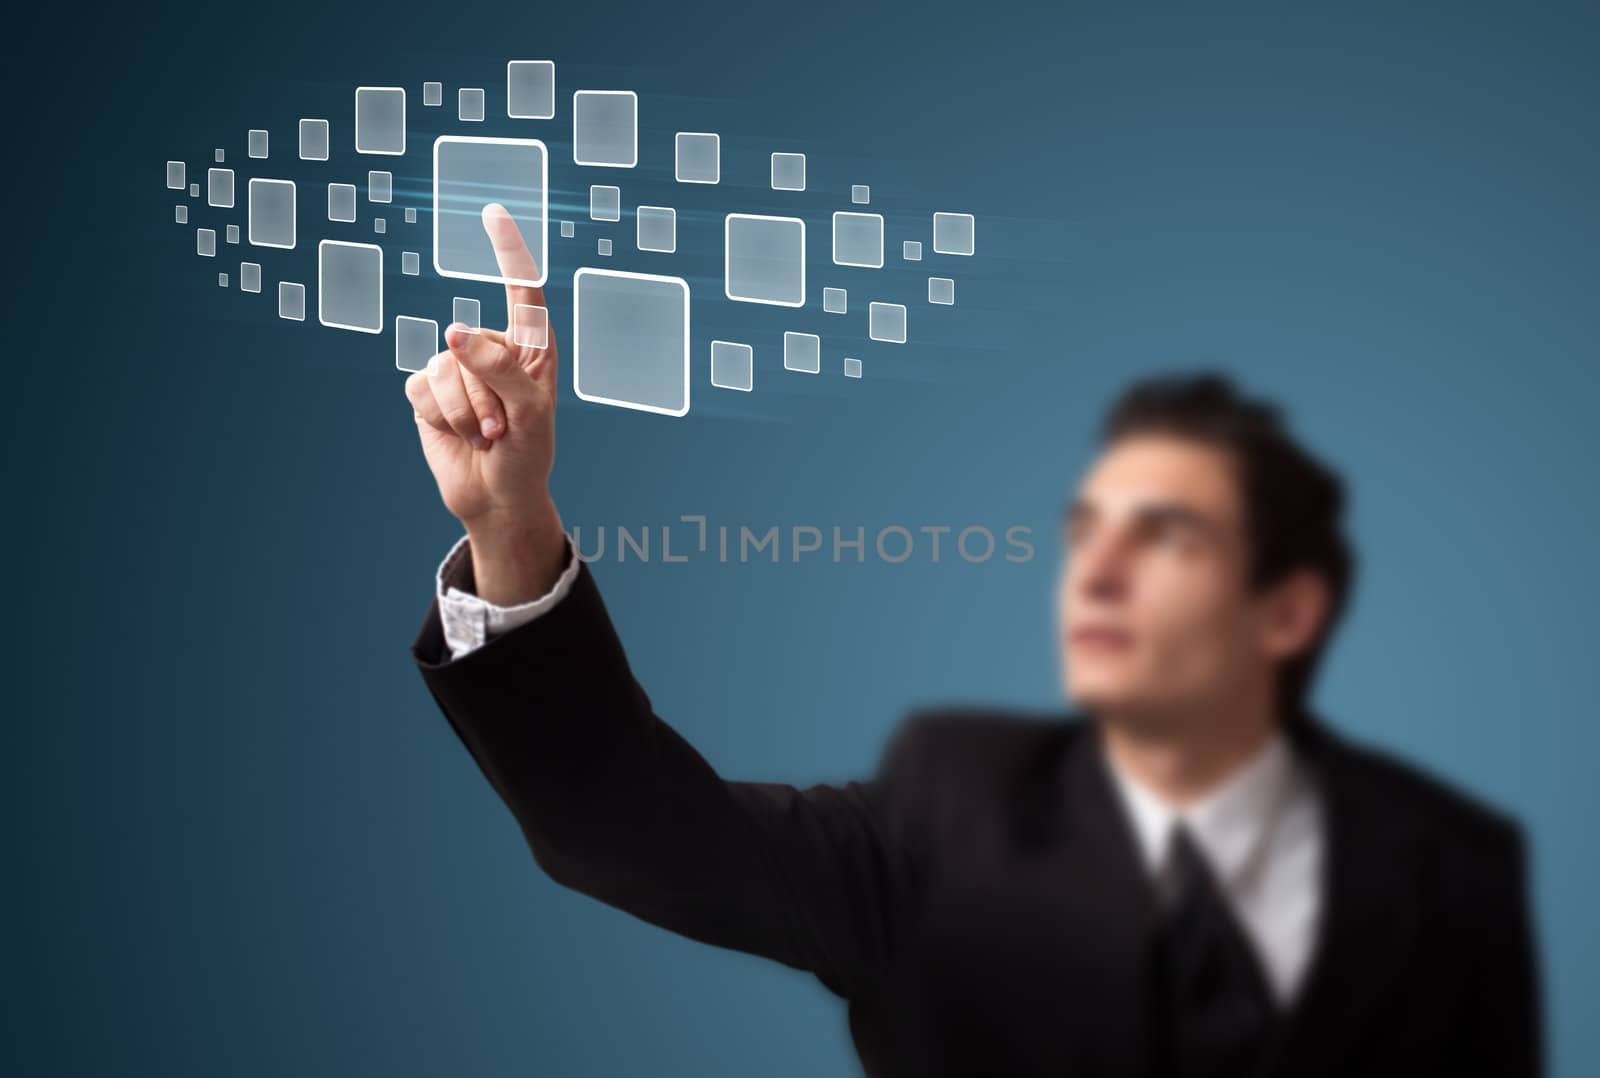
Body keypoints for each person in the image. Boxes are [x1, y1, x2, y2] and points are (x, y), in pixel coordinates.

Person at [402, 206, 1541, 1077]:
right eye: (1087, 530)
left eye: (1167, 537)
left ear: (1285, 611)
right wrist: (514, 525)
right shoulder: (944, 824)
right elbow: (617, 827)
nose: (1097, 570)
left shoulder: (1444, 866)